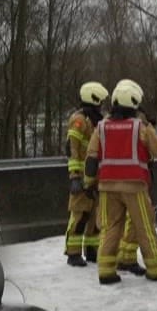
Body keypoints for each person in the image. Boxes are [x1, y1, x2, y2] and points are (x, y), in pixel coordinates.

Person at [85, 80, 157, 284]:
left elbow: (91, 160)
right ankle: (154, 269)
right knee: (144, 226)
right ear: (134, 103)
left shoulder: (100, 128)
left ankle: (106, 271)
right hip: (135, 187)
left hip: (107, 187)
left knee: (110, 229)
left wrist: (88, 183)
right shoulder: (140, 127)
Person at [63, 81, 109, 267]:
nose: (102, 105)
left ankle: (92, 251)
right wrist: (74, 176)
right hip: (82, 177)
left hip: (95, 177)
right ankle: (73, 253)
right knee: (79, 216)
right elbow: (72, 149)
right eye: (100, 101)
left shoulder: (97, 121)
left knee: (95, 218)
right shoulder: (79, 120)